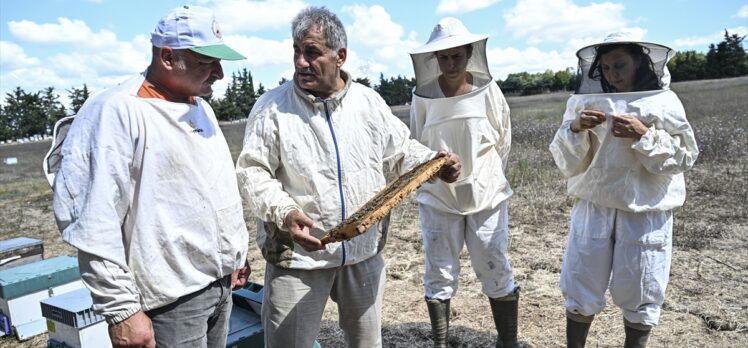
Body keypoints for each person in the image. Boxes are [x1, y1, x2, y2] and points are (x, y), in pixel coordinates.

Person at [235, 6, 461, 347]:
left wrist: (434, 163)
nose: (300, 62)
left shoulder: (368, 102)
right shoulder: (272, 107)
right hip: (298, 257)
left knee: (366, 342)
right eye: (296, 51)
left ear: (340, 56)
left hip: (362, 252)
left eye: (312, 53)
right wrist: (285, 212)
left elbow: (401, 150)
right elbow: (253, 172)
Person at [51, 6, 251, 348]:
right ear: (168, 56)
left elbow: (214, 189)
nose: (219, 73)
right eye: (207, 61)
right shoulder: (116, 111)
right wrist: (122, 311)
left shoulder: (201, 106)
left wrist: (234, 255)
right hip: (169, 302)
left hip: (218, 285)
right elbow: (93, 221)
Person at [549, 32, 699, 348]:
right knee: (581, 280)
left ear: (639, 64)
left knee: (642, 286)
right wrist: (576, 128)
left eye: (620, 65)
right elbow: (564, 161)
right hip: (594, 206)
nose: (612, 74)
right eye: (605, 68)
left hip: (646, 209)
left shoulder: (664, 102)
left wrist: (644, 134)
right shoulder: (584, 102)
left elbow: (684, 156)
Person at [408, 18, 520, 348]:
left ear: (470, 54)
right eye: (444, 58)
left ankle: (508, 342)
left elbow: (503, 140)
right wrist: (437, 171)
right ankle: (440, 343)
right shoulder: (423, 97)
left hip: (486, 195)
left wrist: (482, 175)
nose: (451, 64)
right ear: (435, 59)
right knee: (439, 271)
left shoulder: (489, 91)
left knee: (495, 265)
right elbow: (416, 144)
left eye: (457, 56)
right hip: (439, 197)